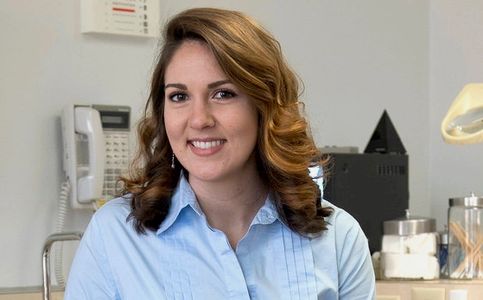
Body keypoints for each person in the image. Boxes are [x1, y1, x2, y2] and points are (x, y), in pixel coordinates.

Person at [65, 7, 375, 300]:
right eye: (179, 96)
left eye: (223, 94)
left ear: (264, 107)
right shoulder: (114, 234)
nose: (199, 119)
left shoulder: (338, 239)